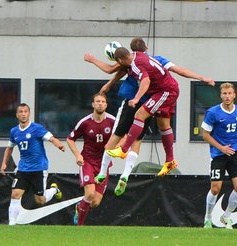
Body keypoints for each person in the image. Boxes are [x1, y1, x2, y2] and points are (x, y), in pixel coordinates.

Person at [84, 37, 215, 196]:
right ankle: (143, 168)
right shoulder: (151, 59)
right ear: (145, 48)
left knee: (118, 134)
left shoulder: (134, 62)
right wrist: (201, 77)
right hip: (155, 98)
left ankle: (109, 166)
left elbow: (113, 69)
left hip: (142, 99)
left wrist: (93, 61)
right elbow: (178, 70)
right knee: (161, 126)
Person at [0, 103, 66, 226]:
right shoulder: (14, 131)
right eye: (21, 112)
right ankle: (11, 223)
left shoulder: (37, 128)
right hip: (23, 169)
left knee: (40, 200)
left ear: (29, 114)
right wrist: (4, 163)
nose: (23, 114)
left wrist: (59, 145)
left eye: (25, 112)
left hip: (39, 169)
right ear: (17, 114)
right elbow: (9, 148)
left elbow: (51, 138)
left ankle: (53, 189)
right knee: (15, 194)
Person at [201, 83, 237, 229]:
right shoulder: (213, 112)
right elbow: (205, 135)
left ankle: (226, 216)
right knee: (215, 188)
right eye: (224, 94)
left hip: (234, 153)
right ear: (221, 95)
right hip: (218, 155)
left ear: (234, 95)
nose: (227, 96)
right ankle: (208, 217)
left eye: (229, 93)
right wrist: (221, 147)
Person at [66, 93, 115, 226]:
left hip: (103, 164)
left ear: (106, 105)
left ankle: (79, 207)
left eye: (103, 101)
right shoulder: (85, 122)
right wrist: (77, 155)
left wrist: (119, 149)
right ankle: (79, 227)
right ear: (93, 104)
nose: (100, 103)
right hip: (87, 161)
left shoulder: (112, 121)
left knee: (95, 202)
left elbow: (124, 136)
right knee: (89, 194)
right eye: (97, 101)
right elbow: (70, 139)